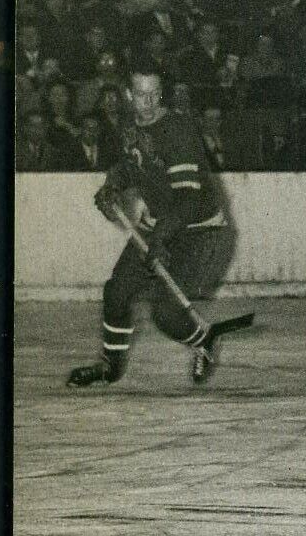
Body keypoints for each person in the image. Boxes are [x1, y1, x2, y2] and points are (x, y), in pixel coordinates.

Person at [67, 69, 228, 389]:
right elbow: (131, 165)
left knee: (166, 315)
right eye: (142, 94)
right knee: (116, 291)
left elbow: (187, 198)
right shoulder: (129, 126)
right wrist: (111, 185)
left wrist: (159, 237)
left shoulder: (177, 129)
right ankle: (110, 366)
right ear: (129, 95)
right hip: (160, 225)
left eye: (155, 93)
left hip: (197, 229)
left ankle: (204, 340)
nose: (150, 101)